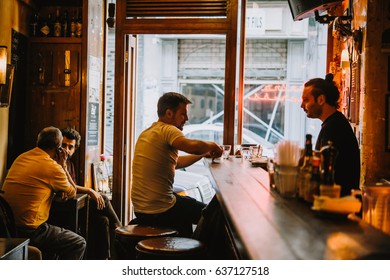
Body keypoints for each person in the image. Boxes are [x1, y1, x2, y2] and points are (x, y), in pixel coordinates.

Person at [131, 92, 223, 237]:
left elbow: (175, 163)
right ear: (169, 113)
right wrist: (212, 146)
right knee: (211, 215)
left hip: (141, 210)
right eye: (183, 114)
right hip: (160, 210)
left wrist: (201, 155)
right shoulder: (168, 130)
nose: (187, 118)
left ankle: (187, 246)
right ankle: (198, 253)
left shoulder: (148, 132)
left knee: (187, 204)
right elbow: (191, 146)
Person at [1, 127, 86, 259]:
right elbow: (72, 192)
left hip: (7, 227)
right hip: (29, 230)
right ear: (59, 148)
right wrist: (63, 165)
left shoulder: (22, 157)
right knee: (78, 243)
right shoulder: (52, 167)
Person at [60, 127, 122, 259]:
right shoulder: (56, 163)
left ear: (75, 149)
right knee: (103, 199)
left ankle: (108, 259)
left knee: (102, 221)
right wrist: (89, 190)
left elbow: (72, 187)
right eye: (64, 145)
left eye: (70, 147)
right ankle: (121, 232)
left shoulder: (69, 163)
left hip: (75, 207)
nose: (66, 149)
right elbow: (69, 188)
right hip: (64, 211)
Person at [300, 73, 360, 196]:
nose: (302, 106)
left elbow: (323, 171)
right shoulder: (335, 122)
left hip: (337, 204)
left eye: (306, 100)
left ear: (321, 99)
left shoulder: (334, 127)